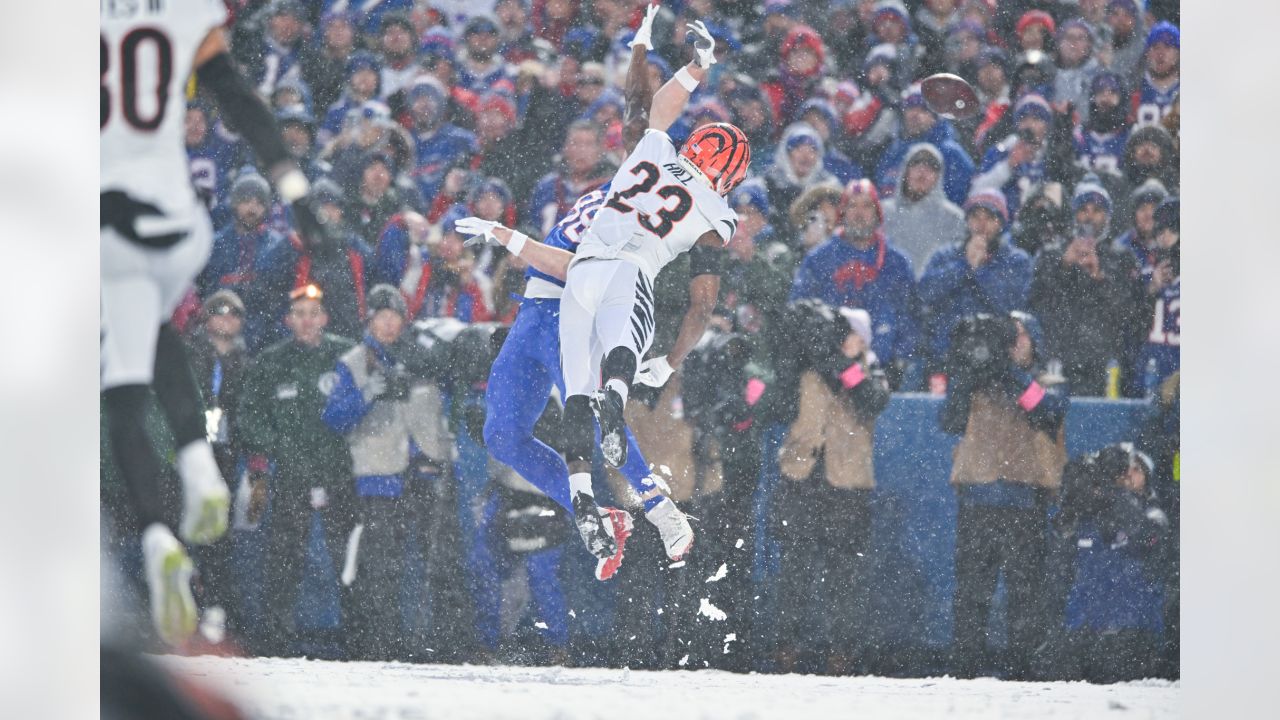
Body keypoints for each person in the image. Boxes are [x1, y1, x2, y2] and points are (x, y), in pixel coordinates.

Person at [457, 18, 739, 581]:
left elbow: (644, 108)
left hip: (572, 295)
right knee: (503, 434)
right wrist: (639, 45)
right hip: (542, 305)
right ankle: (601, 511)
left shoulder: (645, 175)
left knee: (588, 413)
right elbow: (640, 106)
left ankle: (657, 508)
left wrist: (507, 238)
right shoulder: (642, 176)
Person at [101, 0, 328, 646]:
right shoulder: (182, 13)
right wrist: (295, 192)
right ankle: (197, 458)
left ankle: (152, 533)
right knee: (157, 325)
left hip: (100, 214)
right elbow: (240, 101)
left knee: (121, 392)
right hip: (175, 215)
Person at [321, 284, 450, 659]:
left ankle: (418, 640)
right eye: (381, 317)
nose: (388, 324)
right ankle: (378, 642)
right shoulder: (353, 362)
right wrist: (367, 395)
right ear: (370, 321)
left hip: (423, 472)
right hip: (377, 474)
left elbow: (439, 405)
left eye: (394, 317)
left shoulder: (421, 355)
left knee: (424, 563)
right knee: (379, 565)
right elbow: (333, 419)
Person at [940, 311, 1068, 679]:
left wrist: (1006, 370)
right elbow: (949, 419)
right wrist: (967, 372)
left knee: (1024, 595)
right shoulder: (976, 379)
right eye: (1005, 334)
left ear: (1036, 341)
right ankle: (964, 671)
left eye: (1020, 334)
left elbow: (1047, 411)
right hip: (978, 496)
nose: (1011, 341)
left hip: (1025, 499)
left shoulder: (1050, 380)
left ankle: (1023, 672)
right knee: (970, 593)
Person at [236, 284, 359, 656]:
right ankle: (278, 635)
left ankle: (356, 633)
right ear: (289, 320)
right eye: (300, 314)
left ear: (325, 317)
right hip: (291, 474)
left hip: (339, 473)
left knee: (348, 555)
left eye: (314, 313)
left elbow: (367, 402)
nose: (307, 321)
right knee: (284, 558)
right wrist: (278, 446)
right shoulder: (271, 361)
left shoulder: (347, 355)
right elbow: (248, 416)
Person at [774, 305, 891, 675]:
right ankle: (786, 649)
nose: (847, 342)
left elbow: (874, 400)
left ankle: (842, 653)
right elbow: (776, 402)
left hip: (847, 485)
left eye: (855, 336)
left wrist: (842, 366)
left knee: (845, 575)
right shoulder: (805, 368)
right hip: (802, 475)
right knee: (794, 569)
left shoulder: (870, 372)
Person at [790, 179, 921, 389]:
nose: (859, 213)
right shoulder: (819, 259)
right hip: (830, 365)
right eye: (852, 206)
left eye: (866, 206)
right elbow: (799, 310)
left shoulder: (896, 262)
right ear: (842, 213)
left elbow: (910, 318)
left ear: (878, 213)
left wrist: (901, 357)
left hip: (883, 366)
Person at [1028, 181, 1144, 395]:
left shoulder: (1123, 257)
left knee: (1104, 422)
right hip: (1058, 358)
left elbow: (1130, 314)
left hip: (1104, 361)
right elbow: (1036, 302)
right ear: (1074, 215)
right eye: (1083, 210)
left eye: (1097, 210)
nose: (1089, 217)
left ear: (1107, 216)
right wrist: (1063, 265)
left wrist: (1099, 277)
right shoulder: (1051, 253)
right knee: (1050, 420)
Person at [918, 189, 1032, 376]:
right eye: (975, 217)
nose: (981, 225)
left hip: (997, 357)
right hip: (947, 353)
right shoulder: (945, 256)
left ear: (1001, 223)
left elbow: (1010, 304)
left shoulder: (1017, 260)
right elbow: (925, 294)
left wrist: (979, 270)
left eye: (989, 218)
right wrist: (964, 265)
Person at [880, 143, 966, 277]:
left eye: (931, 166)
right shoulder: (882, 212)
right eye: (916, 163)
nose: (922, 171)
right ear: (905, 171)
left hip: (935, 294)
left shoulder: (954, 218)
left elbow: (956, 267)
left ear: (939, 176)